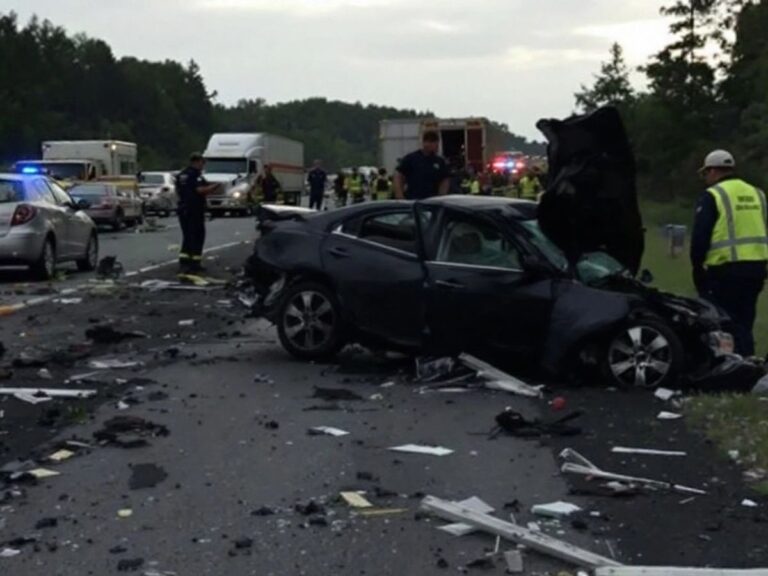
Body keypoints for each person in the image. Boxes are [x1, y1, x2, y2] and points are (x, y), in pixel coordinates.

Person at [691, 149, 768, 356]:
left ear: (713, 170)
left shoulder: (713, 195)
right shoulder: (757, 193)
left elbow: (701, 235)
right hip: (756, 269)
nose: (706, 179)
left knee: (724, 320)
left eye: (705, 174)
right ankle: (748, 361)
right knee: (745, 319)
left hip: (725, 270)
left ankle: (731, 366)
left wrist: (697, 267)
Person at [176, 153, 220, 274]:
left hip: (184, 208)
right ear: (196, 162)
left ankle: (185, 262)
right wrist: (215, 186)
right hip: (194, 209)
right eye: (202, 162)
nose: (203, 165)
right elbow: (201, 190)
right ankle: (194, 263)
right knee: (197, 236)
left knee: (188, 236)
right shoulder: (195, 175)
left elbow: (180, 190)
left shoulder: (182, 175)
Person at [394, 131, 450, 200]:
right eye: (434, 144)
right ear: (425, 143)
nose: (436, 147)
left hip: (432, 200)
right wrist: (399, 195)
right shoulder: (411, 159)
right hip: (413, 199)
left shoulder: (439, 161)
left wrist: (441, 196)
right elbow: (398, 175)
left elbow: (445, 179)